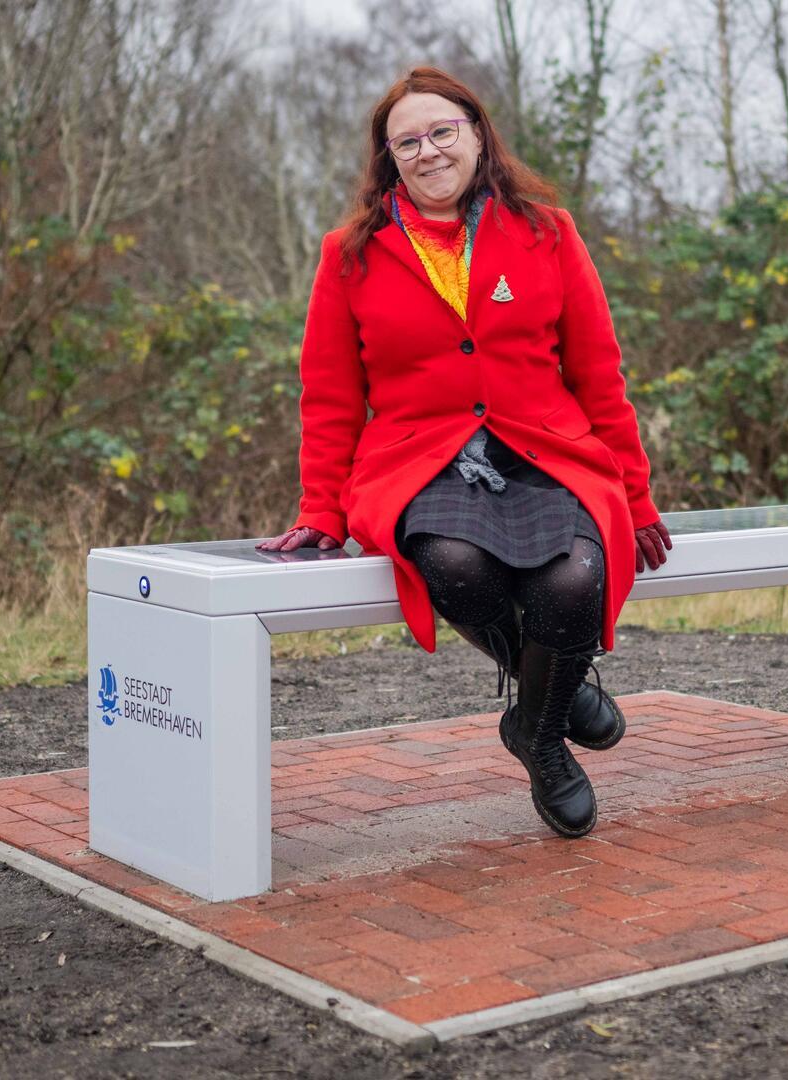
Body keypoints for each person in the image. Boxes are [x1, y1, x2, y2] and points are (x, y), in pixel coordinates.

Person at [256, 67, 672, 839]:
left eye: (442, 131)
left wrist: (637, 498)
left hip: (544, 448)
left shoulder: (550, 233)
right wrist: (320, 508)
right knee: (453, 564)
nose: (429, 151)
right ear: (389, 159)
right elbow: (330, 396)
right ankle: (558, 695)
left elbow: (598, 374)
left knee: (575, 575)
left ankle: (535, 734)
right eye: (407, 141)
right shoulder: (348, 255)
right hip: (419, 459)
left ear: (478, 135)